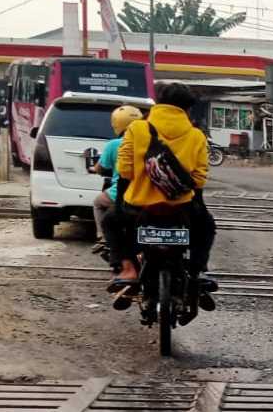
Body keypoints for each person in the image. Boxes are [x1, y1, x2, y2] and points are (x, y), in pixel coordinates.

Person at [113, 83, 215, 286]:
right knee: (206, 227)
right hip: (180, 207)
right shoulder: (196, 136)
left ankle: (128, 268)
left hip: (139, 205)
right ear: (187, 109)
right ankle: (196, 271)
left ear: (158, 104)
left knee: (111, 222)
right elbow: (199, 179)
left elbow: (124, 170)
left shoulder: (137, 128)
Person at [91, 104, 144, 240]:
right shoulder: (148, 141)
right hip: (146, 191)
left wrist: (94, 168)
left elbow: (100, 168)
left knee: (98, 202)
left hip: (122, 192)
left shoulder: (114, 144)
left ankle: (103, 237)